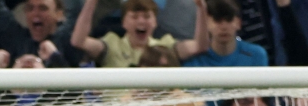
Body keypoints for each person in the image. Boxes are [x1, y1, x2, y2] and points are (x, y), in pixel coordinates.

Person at [71, 0, 208, 68]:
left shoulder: (165, 46)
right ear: (124, 22)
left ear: (155, 22)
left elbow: (199, 46)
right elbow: (79, 41)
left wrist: (201, 9)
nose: (141, 21)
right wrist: (91, 2)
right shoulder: (111, 45)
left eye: (147, 16)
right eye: (135, 17)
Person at [183, 0, 267, 67]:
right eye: (217, 20)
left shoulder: (256, 55)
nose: (224, 27)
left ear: (239, 23)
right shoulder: (194, 60)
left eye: (229, 20)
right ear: (206, 23)